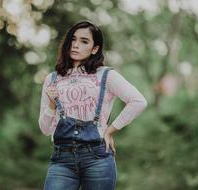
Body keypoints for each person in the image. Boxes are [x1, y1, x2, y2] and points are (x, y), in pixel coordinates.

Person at [38, 20, 148, 190]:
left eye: (84, 41)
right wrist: (52, 104)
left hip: (97, 158)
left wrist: (110, 130)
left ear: (94, 49)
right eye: (73, 39)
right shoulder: (52, 79)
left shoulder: (106, 75)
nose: (75, 45)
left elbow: (139, 101)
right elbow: (45, 129)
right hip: (62, 159)